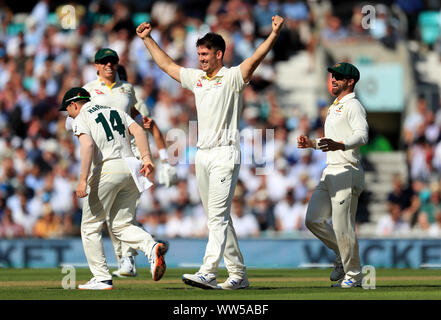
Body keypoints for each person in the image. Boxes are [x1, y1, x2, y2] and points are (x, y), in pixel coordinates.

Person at [136, 15, 285, 290]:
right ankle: (238, 274)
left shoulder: (232, 78)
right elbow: (167, 65)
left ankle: (208, 272)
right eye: (199, 54)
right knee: (219, 218)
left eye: (205, 54)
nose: (201, 59)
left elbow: (255, 59)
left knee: (216, 217)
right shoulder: (197, 79)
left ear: (219, 54)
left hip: (225, 154)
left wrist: (274, 34)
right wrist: (147, 39)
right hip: (202, 155)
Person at [66, 48, 176, 278]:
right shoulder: (87, 89)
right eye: (104, 62)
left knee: (95, 224)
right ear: (96, 65)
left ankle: (113, 269)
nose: (108, 65)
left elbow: (144, 123)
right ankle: (149, 247)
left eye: (112, 62)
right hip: (122, 161)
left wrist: (157, 159)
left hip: (118, 160)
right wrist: (152, 158)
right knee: (120, 221)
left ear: (117, 65)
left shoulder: (127, 89)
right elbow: (75, 120)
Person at [59, 87, 167, 290]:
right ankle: (151, 247)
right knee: (121, 225)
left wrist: (83, 179)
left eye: (68, 110)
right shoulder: (115, 111)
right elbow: (138, 130)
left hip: (108, 168)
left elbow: (88, 146)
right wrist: (146, 158)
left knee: (90, 227)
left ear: (74, 104)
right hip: (132, 167)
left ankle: (101, 277)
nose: (69, 115)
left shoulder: (81, 116)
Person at [297, 62, 368, 288]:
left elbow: (362, 136)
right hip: (330, 172)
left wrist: (341, 145)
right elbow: (332, 142)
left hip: (347, 171)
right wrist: (312, 143)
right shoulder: (335, 105)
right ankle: (341, 255)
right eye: (332, 76)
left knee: (342, 226)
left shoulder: (353, 105)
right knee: (312, 220)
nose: (334, 79)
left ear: (350, 81)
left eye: (338, 77)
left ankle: (355, 275)